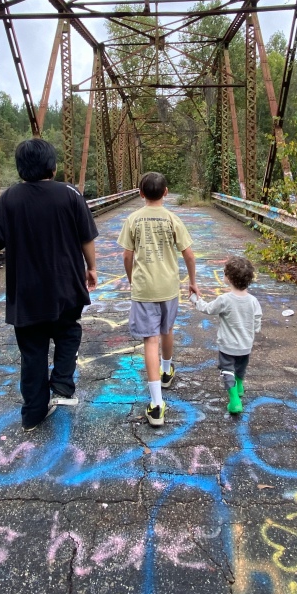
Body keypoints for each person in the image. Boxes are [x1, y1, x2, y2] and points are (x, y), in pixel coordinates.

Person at [0, 138, 98, 431]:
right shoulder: (70, 194)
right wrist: (92, 268)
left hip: (25, 290)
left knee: (32, 351)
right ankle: (62, 384)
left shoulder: (8, 198)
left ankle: (33, 415)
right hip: (66, 285)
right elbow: (86, 236)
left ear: (20, 167)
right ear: (52, 165)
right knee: (68, 331)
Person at [117, 172, 199, 427]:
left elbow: (127, 256)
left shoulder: (133, 219)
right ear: (166, 192)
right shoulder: (173, 219)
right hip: (168, 287)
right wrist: (192, 282)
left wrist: (133, 280)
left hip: (144, 288)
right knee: (167, 329)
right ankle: (166, 370)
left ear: (140, 193)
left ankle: (156, 404)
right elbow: (189, 255)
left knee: (149, 340)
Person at [190, 255, 262, 415]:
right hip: (245, 345)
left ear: (228, 278)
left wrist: (195, 300)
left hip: (228, 346)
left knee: (227, 370)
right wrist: (255, 329)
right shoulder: (253, 301)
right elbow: (257, 317)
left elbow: (208, 309)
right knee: (241, 367)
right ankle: (240, 385)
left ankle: (234, 400)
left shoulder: (225, 300)